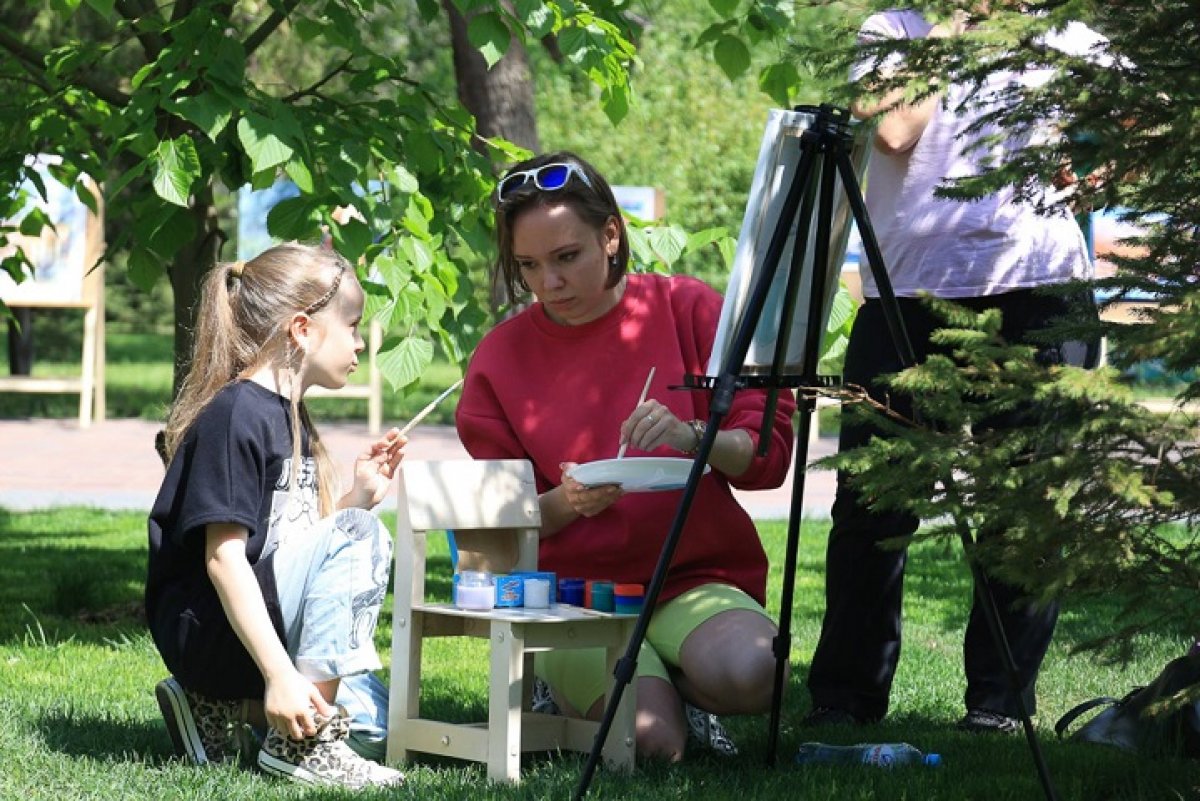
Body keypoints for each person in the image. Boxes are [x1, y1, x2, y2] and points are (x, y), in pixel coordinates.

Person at [804, 8, 1105, 734]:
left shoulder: (1069, 34)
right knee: (873, 504)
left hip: (1038, 291)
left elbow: (1142, 128)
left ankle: (999, 706)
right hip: (904, 291)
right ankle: (846, 699)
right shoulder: (893, 29)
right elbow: (893, 130)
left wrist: (1101, 162)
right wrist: (950, 28)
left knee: (1027, 506)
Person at [455, 152, 797, 761]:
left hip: (689, 579)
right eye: (529, 265)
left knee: (758, 672)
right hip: (570, 598)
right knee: (652, 742)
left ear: (610, 235)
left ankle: (665, 676)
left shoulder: (686, 309)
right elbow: (494, 533)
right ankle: (617, 689)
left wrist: (696, 436)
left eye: (566, 258)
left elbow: (765, 456)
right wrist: (566, 503)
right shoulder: (499, 359)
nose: (549, 284)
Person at [146, 242, 406, 789]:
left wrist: (357, 496)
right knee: (363, 537)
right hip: (212, 628)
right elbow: (224, 560)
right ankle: (302, 746)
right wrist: (281, 675)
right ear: (302, 330)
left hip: (253, 621)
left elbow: (288, 548)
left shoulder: (289, 414)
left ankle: (218, 712)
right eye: (353, 326)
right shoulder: (236, 414)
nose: (360, 344)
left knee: (382, 728)